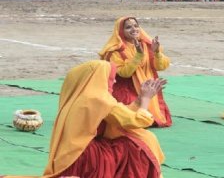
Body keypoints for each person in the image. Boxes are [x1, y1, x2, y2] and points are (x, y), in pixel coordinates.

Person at [4, 60, 165, 178]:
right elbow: (134, 121)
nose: (114, 81)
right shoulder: (100, 99)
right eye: (110, 77)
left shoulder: (79, 96)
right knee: (141, 142)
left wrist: (137, 101)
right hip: (89, 156)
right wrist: (145, 99)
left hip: (69, 155)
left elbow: (119, 115)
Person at [98, 16, 172, 127]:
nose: (134, 29)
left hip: (146, 85)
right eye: (128, 27)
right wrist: (138, 56)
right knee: (133, 118)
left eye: (136, 26)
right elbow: (124, 73)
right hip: (126, 89)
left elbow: (161, 66)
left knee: (155, 119)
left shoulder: (147, 45)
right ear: (120, 32)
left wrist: (156, 52)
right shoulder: (115, 51)